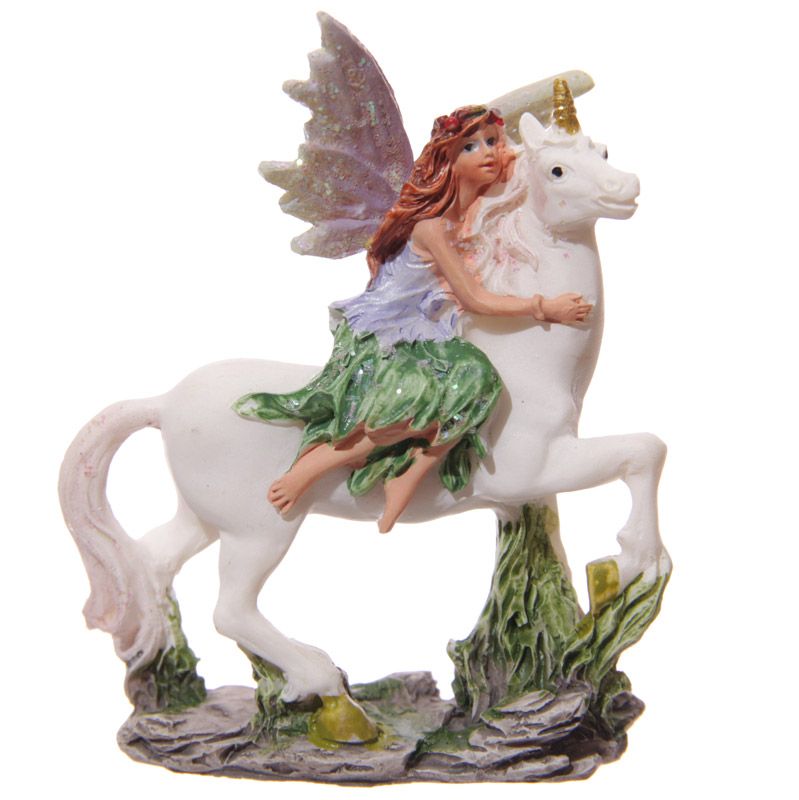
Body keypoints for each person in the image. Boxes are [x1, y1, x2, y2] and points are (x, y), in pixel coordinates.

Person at [234, 106, 591, 532]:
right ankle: (312, 467)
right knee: (429, 394)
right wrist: (545, 307)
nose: (487, 153)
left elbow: (521, 171)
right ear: (448, 161)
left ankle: (411, 471)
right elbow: (475, 299)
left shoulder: (471, 215)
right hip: (388, 336)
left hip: (430, 334)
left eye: (493, 142)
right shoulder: (432, 227)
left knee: (477, 382)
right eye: (470, 147)